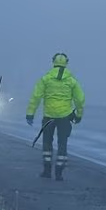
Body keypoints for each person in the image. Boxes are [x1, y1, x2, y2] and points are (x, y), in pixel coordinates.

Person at [26, 53, 85, 181]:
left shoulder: (45, 79)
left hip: (49, 117)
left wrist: (30, 113)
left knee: (47, 143)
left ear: (53, 62)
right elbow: (80, 99)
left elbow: (36, 97)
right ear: (66, 63)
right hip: (65, 117)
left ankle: (47, 171)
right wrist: (79, 115)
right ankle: (59, 173)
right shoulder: (72, 81)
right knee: (62, 143)